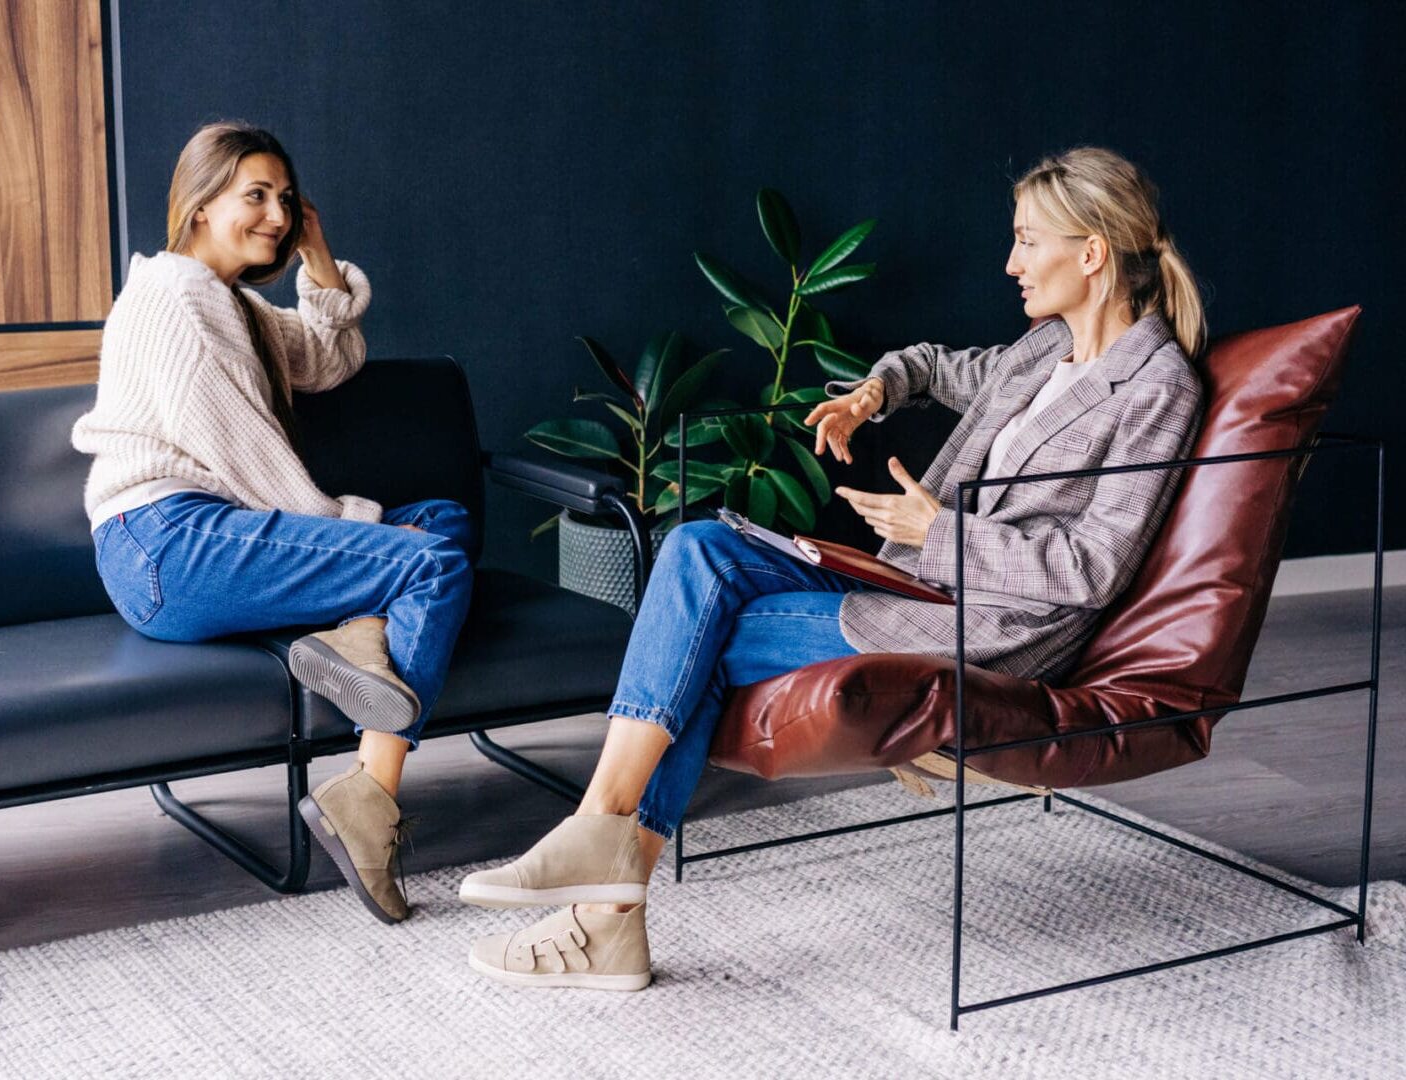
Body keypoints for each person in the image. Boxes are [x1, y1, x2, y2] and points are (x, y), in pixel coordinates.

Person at [459, 146, 1205, 990]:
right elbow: (928, 364)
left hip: (994, 625)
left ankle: (604, 884)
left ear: (1092, 251)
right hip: (917, 587)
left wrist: (939, 530)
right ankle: (605, 868)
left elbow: (1095, 567)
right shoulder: (1044, 354)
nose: (1011, 264)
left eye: (1028, 242)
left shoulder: (1155, 388)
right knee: (696, 547)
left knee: (700, 634)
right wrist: (869, 395)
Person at [72, 121, 473, 926]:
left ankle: (357, 646)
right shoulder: (177, 300)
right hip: (165, 544)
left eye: (286, 199)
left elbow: (327, 360)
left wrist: (318, 257)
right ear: (197, 205)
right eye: (254, 196)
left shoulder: (233, 303)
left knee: (441, 519)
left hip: (194, 538)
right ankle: (373, 799)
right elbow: (251, 458)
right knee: (429, 561)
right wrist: (356, 526)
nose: (277, 216)